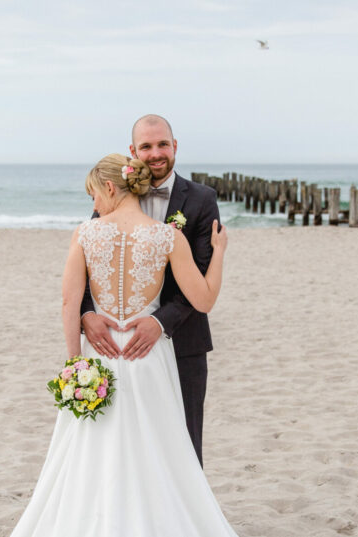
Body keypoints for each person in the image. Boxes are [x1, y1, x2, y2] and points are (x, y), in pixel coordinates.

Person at [7, 154, 237, 536]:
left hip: (101, 355)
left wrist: (75, 363)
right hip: (148, 355)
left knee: (92, 449)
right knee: (157, 447)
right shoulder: (167, 236)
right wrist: (220, 253)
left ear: (111, 187)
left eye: (94, 194)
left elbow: (69, 302)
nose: (94, 204)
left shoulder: (85, 233)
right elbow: (205, 300)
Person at [81, 114, 220, 466]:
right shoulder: (114, 193)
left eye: (162, 145)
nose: (156, 153)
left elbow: (200, 275)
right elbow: (90, 260)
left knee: (185, 447)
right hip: (119, 344)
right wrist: (87, 315)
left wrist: (159, 322)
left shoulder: (202, 199)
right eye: (146, 146)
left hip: (182, 339)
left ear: (175, 146)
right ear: (133, 152)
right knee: (122, 443)